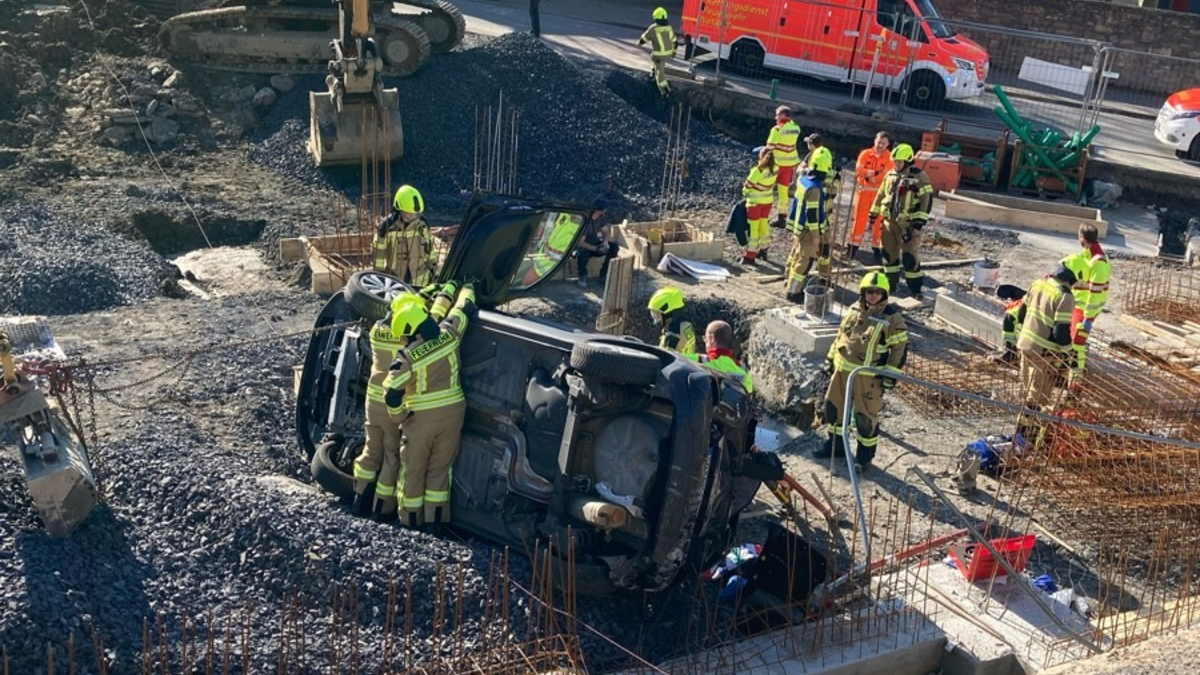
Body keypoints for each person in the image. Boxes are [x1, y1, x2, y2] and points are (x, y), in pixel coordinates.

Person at [352, 283, 460, 520]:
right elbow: (433, 318)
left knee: (371, 451)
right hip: (394, 406)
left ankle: (360, 500)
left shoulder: (377, 330)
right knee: (392, 457)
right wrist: (445, 293)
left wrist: (422, 293)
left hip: (373, 400)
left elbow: (410, 312)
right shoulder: (406, 342)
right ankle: (382, 509)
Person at [383, 282, 477, 532]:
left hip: (421, 419)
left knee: (413, 471)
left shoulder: (407, 356)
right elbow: (464, 308)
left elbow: (392, 394)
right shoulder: (449, 334)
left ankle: (411, 522)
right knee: (440, 469)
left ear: (410, 330)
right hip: (455, 413)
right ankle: (435, 522)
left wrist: (399, 416)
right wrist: (465, 286)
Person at [816, 272, 908, 474]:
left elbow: (899, 350)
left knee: (865, 419)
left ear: (884, 293)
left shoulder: (891, 317)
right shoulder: (854, 309)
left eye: (877, 292)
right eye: (869, 291)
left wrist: (890, 377)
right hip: (841, 372)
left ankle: (863, 458)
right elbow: (841, 335)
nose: (873, 295)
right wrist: (830, 359)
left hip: (868, 377)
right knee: (833, 409)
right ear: (863, 292)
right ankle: (836, 446)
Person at [868, 144, 932, 298]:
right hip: (889, 223)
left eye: (899, 162)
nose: (896, 165)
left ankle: (915, 289)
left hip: (908, 226)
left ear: (908, 161)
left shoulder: (919, 177)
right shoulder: (890, 175)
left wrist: (918, 224)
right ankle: (891, 286)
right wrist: (872, 216)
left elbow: (926, 202)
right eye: (895, 161)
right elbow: (880, 195)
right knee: (889, 256)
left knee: (909, 258)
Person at [1016, 263, 1076, 414]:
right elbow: (1060, 331)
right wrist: (1070, 352)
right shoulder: (1065, 296)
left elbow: (1021, 311)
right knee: (1038, 394)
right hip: (1043, 351)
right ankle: (1030, 425)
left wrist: (1027, 329)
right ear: (1070, 282)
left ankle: (1023, 417)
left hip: (1024, 342)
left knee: (1025, 384)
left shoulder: (1037, 284)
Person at [1059, 224, 1110, 373]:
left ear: (1082, 237)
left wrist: (1087, 318)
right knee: (1070, 341)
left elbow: (1095, 292)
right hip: (1078, 306)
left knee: (1077, 346)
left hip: (1085, 310)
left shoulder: (1099, 262)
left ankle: (1075, 384)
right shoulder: (1088, 254)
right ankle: (1066, 372)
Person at [374, 185, 438, 287]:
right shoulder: (387, 227)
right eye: (410, 213)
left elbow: (429, 249)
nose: (414, 216)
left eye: (416, 213)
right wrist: (379, 277)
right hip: (397, 280)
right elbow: (379, 253)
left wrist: (434, 270)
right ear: (400, 209)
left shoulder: (422, 224)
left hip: (420, 281)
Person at [782, 169, 830, 304]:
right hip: (808, 230)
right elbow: (812, 214)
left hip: (799, 226)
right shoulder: (814, 188)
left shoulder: (803, 179)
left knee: (797, 254)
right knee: (805, 260)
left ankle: (788, 279)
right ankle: (793, 292)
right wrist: (816, 236)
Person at [849, 132, 894, 264]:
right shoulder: (865, 154)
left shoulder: (890, 158)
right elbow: (858, 171)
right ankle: (852, 249)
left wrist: (868, 175)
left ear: (887, 144)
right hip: (863, 194)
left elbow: (884, 176)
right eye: (879, 142)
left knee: (879, 225)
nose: (880, 145)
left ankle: (877, 251)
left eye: (883, 143)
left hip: (880, 196)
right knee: (859, 222)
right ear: (875, 140)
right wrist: (874, 174)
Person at [687, 320, 753, 393]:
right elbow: (749, 392)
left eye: (705, 337)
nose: (705, 341)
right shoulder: (743, 369)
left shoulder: (697, 360)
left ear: (711, 338)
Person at [521, 211, 582, 286]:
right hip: (541, 254)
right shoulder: (564, 213)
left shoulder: (582, 221)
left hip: (550, 261)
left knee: (526, 282)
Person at [765, 106, 802, 226]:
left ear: (783, 115)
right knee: (783, 192)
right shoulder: (796, 128)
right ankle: (782, 218)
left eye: (777, 115)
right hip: (789, 165)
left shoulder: (777, 129)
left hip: (775, 165)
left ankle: (764, 216)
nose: (775, 117)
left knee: (767, 190)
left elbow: (769, 148)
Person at [741, 147, 778, 264]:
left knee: (753, 229)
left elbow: (747, 188)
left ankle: (750, 255)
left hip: (754, 203)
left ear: (761, 156)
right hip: (767, 202)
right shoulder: (775, 169)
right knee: (764, 226)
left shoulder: (757, 171)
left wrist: (745, 193)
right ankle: (763, 250)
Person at [574, 198, 619, 290]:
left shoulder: (600, 218)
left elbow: (605, 231)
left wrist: (605, 242)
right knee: (582, 253)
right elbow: (580, 243)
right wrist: (596, 249)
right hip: (581, 247)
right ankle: (582, 277)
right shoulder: (584, 221)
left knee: (614, 247)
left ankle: (604, 274)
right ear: (601, 210)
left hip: (594, 243)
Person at [639, 7, 678, 95]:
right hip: (668, 54)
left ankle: (664, 91)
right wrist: (674, 51)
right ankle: (654, 72)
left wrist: (639, 43)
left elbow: (643, 39)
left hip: (658, 55)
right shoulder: (669, 28)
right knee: (660, 65)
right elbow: (675, 42)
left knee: (659, 73)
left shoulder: (653, 28)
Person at [648, 286, 696, 355]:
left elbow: (666, 359)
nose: (657, 318)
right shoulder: (686, 325)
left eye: (658, 314)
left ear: (670, 313)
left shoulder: (672, 336)